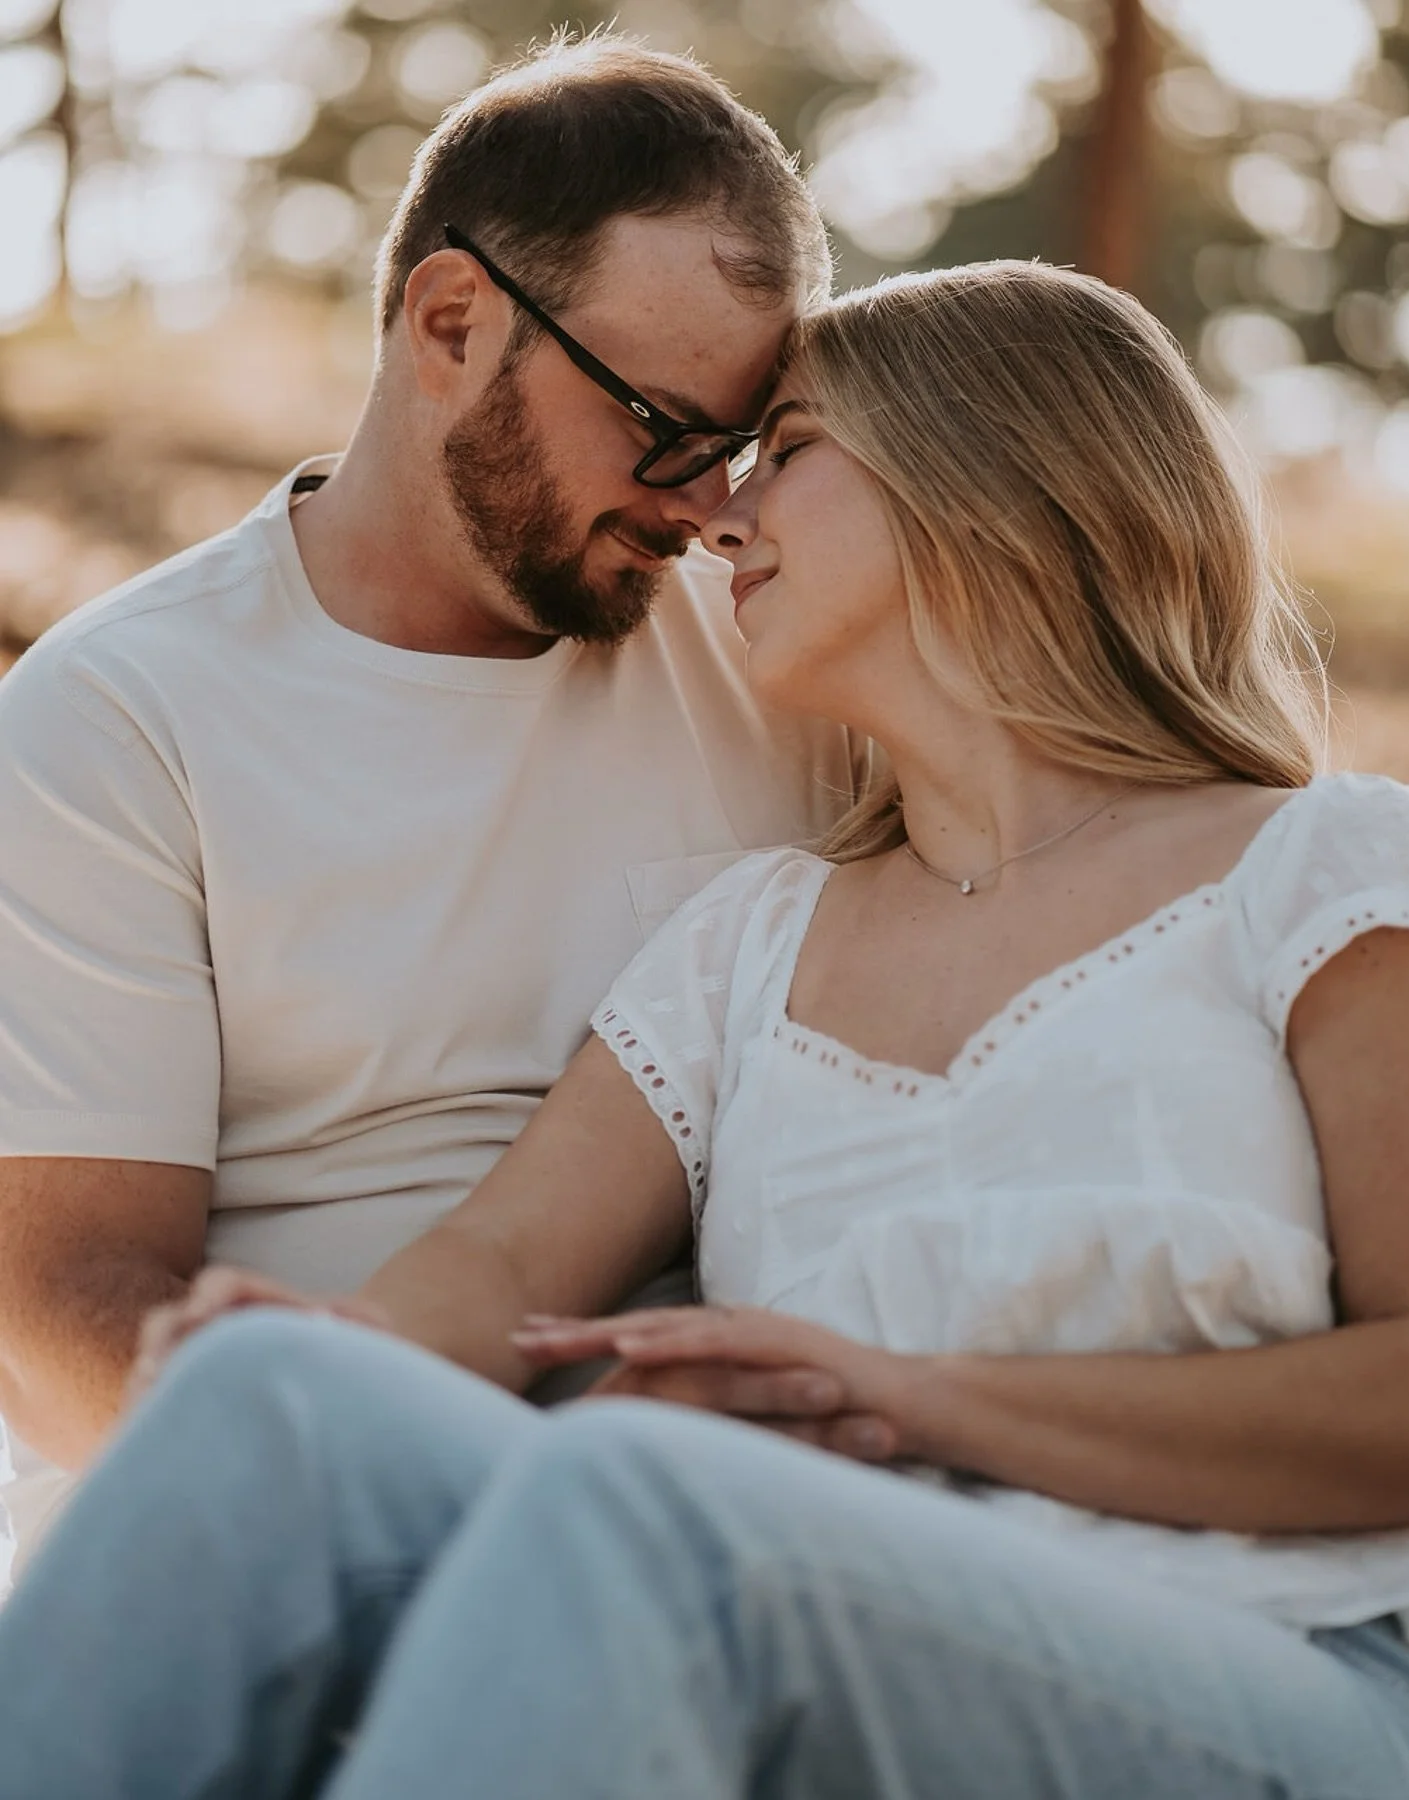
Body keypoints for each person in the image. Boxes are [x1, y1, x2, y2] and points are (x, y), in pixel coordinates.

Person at [6, 259, 1409, 1800]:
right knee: (265, 1404)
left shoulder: (1334, 870)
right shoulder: (752, 939)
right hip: (813, 1601)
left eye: (792, 451)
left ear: (991, 474)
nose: (719, 516)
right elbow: (501, 1269)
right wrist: (323, 1351)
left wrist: (897, 1398)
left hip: (1275, 1654)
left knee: (656, 1498)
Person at [0, 34, 868, 1583]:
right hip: (263, 1507)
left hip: (711, 1499)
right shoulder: (121, 716)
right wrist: (384, 1502)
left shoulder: (781, 661)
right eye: (661, 427)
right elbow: (61, 1312)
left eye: (740, 450)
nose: (701, 505)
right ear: (452, 321)